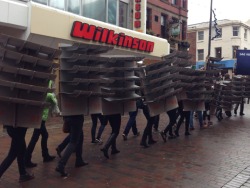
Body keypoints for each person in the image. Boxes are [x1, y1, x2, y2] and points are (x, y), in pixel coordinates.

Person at [25, 88, 58, 168]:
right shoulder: (49, 95)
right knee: (35, 138)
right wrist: (53, 95)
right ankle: (27, 159)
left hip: (38, 117)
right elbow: (55, 102)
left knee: (44, 135)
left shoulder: (37, 93)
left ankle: (45, 155)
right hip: (41, 118)